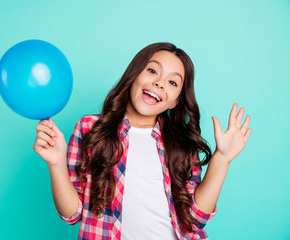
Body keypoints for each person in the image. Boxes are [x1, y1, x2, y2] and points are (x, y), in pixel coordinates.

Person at [33, 42, 251, 240]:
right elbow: (73, 214)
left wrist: (222, 159)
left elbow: (195, 220)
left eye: (173, 82)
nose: (159, 83)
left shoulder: (180, 144)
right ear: (134, 74)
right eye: (153, 70)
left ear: (175, 101)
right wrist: (56, 163)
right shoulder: (90, 128)